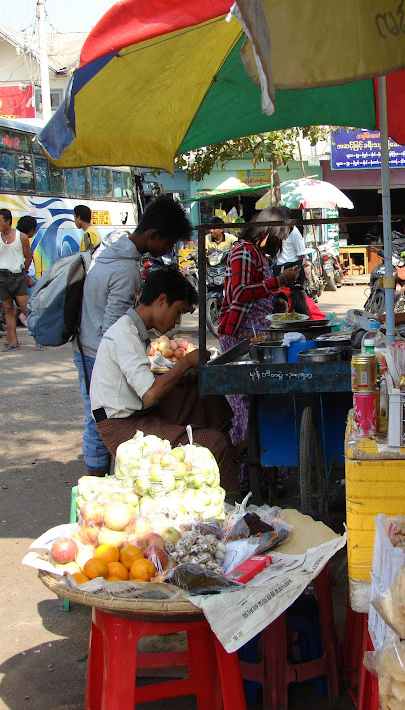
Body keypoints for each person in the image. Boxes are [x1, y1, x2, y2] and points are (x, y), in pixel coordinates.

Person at [89, 265, 239, 491]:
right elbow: (150, 395)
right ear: (161, 300)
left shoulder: (135, 331)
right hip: (123, 426)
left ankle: (229, 458)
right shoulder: (124, 334)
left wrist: (186, 374)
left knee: (204, 397)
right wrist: (186, 363)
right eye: (177, 311)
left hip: (138, 413)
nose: (177, 320)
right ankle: (231, 500)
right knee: (212, 443)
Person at [74, 195, 192, 477]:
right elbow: (114, 329)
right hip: (95, 349)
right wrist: (130, 358)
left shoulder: (110, 252)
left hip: (88, 344)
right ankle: (96, 480)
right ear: (153, 235)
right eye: (168, 242)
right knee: (98, 419)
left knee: (96, 415)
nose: (169, 248)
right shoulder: (126, 269)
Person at [218, 207, 299, 450]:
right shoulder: (243, 251)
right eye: (281, 238)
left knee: (261, 402)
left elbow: (257, 292)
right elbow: (240, 294)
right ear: (270, 232)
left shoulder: (258, 254)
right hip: (240, 339)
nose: (281, 243)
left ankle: (267, 466)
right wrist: (280, 281)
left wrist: (277, 299)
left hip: (257, 337)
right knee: (244, 404)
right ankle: (247, 470)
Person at [0, 208, 32, 351]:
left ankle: (40, 338)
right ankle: (14, 342)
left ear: (8, 221)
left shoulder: (22, 237)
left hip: (18, 276)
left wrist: (23, 272)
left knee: (25, 309)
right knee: (8, 310)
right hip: (2, 277)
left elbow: (28, 256)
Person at [15, 215, 44, 349]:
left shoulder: (15, 239)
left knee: (14, 311)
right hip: (26, 280)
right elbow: (19, 264)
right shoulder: (22, 240)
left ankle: (12, 340)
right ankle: (38, 341)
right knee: (31, 311)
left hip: (18, 279)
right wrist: (26, 278)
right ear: (31, 229)